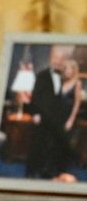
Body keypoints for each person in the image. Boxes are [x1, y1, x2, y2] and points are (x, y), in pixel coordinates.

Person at [25, 46, 74, 178]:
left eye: (61, 59)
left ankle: (50, 172)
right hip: (43, 117)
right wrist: (35, 114)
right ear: (50, 59)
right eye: (55, 58)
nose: (58, 61)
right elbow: (35, 97)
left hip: (57, 119)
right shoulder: (42, 75)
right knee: (37, 145)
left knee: (54, 147)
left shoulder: (65, 76)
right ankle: (30, 172)